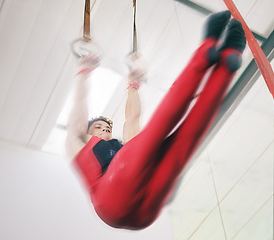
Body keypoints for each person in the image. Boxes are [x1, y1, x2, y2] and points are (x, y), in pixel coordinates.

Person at [66, 10, 246, 230]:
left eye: (107, 127)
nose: (105, 131)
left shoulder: (122, 147)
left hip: (144, 212)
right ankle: (205, 52)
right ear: (88, 133)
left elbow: (132, 118)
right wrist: (83, 73)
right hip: (111, 200)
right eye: (98, 127)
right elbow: (76, 121)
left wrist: (133, 85)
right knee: (160, 132)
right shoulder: (80, 146)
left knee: (182, 142)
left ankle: (227, 66)